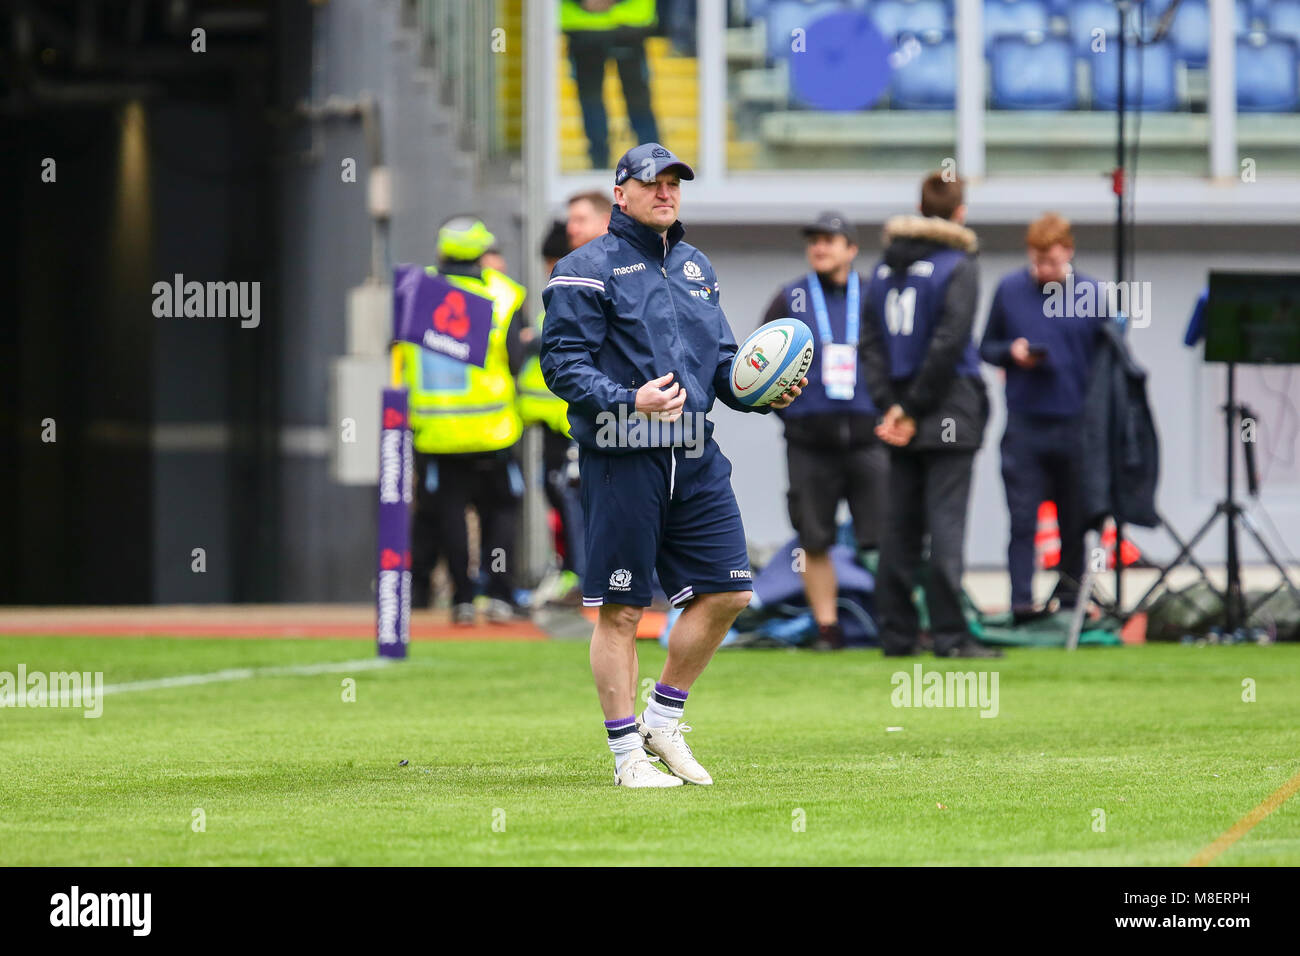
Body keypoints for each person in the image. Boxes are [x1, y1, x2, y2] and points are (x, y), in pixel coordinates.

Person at [540, 143, 805, 787]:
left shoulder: (694, 266)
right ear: (620, 192)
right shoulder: (584, 268)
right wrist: (630, 398)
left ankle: (662, 718)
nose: (665, 192)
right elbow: (561, 364)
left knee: (731, 590)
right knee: (623, 611)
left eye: (674, 183)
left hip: (695, 451)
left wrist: (758, 391)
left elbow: (721, 361)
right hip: (622, 450)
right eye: (651, 182)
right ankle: (626, 754)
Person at [860, 173, 1000, 658]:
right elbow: (950, 341)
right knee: (945, 527)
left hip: (899, 411)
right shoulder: (958, 264)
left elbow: (871, 343)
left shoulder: (882, 268)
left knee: (899, 528)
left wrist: (890, 406)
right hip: (947, 407)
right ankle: (950, 637)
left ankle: (897, 635)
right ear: (960, 212)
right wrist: (913, 407)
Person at [758, 211, 886, 651]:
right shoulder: (790, 296)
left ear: (851, 248)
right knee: (814, 538)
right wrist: (792, 416)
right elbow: (759, 365)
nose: (819, 247)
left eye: (829, 240)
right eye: (814, 240)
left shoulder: (874, 294)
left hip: (870, 436)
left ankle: (898, 621)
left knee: (884, 536)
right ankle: (827, 628)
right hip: (810, 440)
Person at [400, 216, 528, 625]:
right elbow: (519, 360)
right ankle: (502, 596)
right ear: (483, 252)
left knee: (449, 514)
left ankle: (463, 599)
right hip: (494, 429)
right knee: (501, 512)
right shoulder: (505, 295)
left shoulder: (417, 291)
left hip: (437, 430)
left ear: (442, 251)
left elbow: (399, 352)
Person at [979, 213, 1104, 623]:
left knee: (1074, 520)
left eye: (1051, 260)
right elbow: (985, 347)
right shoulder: (1010, 289)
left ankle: (1069, 602)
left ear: (1067, 253)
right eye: (1037, 260)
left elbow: (1108, 357)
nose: (1044, 269)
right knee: (1022, 520)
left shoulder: (1091, 293)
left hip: (1075, 425)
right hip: (1025, 426)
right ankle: (1020, 602)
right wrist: (1010, 353)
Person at [517, 220, 585, 603]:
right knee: (558, 499)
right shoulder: (557, 295)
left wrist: (532, 342)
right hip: (552, 423)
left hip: (568, 425)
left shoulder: (568, 292)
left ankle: (578, 575)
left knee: (566, 501)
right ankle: (571, 572)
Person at [560, 0, 661, 169]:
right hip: (624, 23)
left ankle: (602, 164)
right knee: (632, 101)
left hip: (590, 25)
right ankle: (654, 164)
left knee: (595, 101)